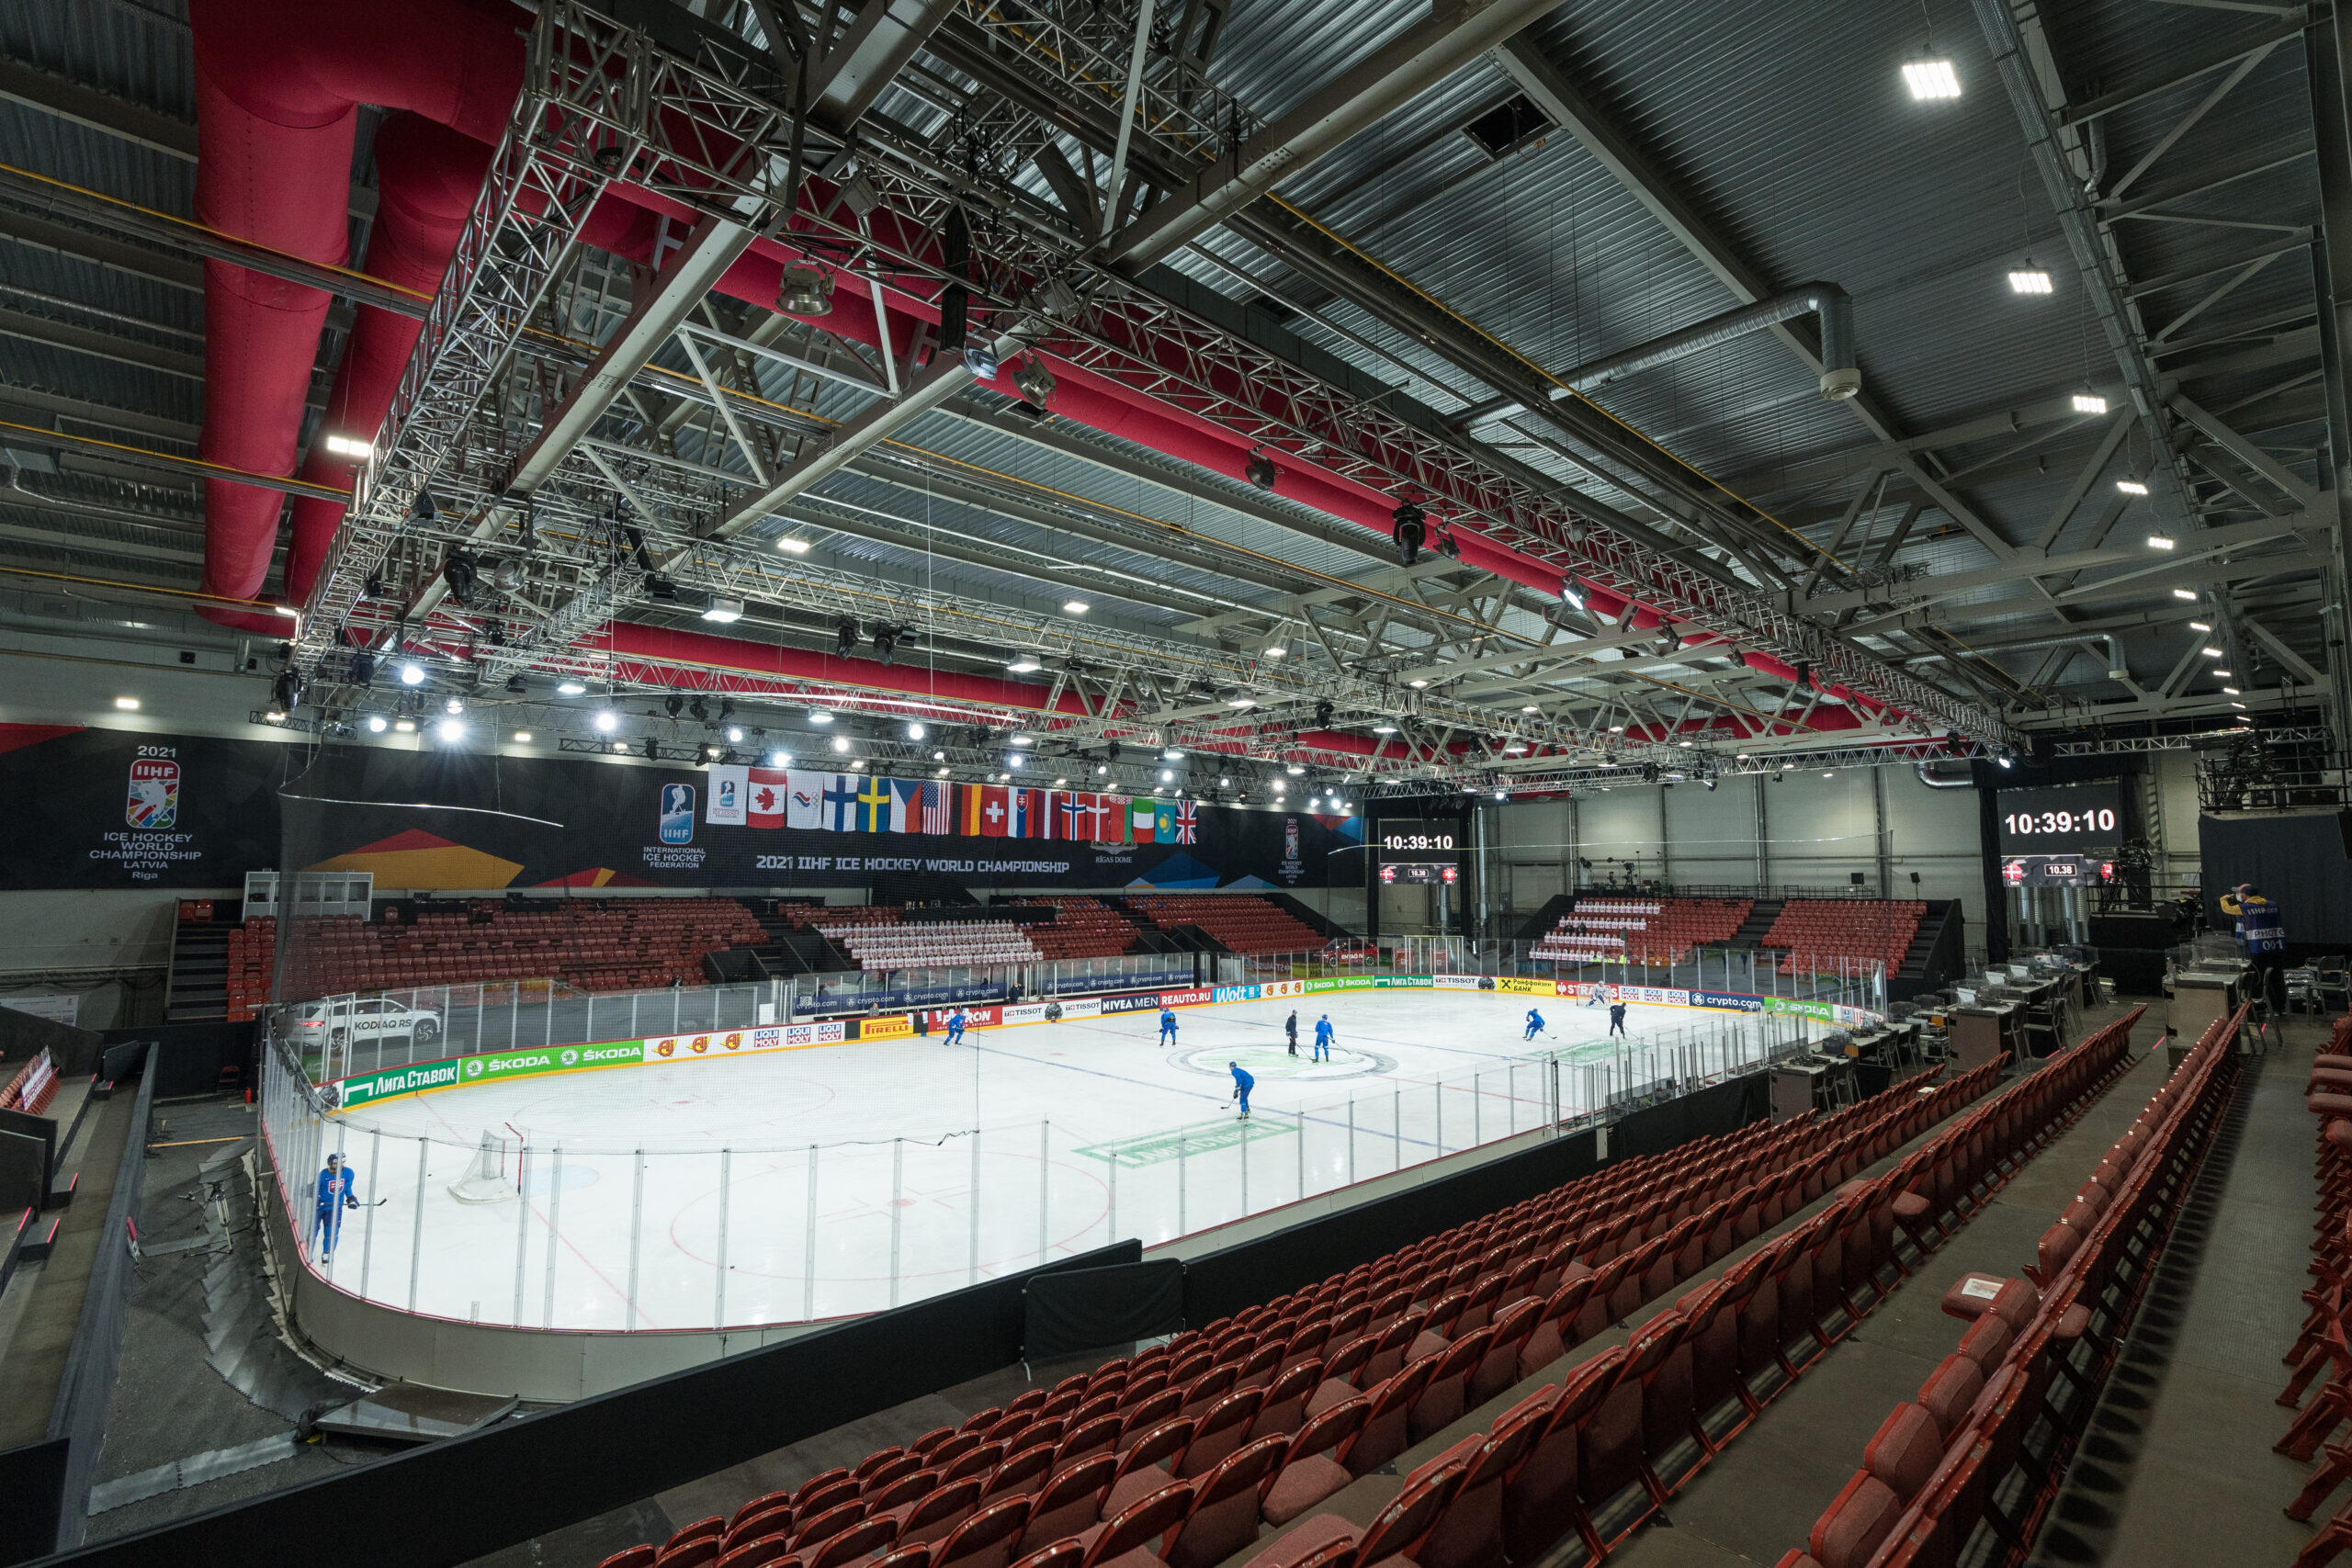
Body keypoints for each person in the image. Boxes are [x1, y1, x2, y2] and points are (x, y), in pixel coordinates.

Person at [2220, 882, 2289, 1011]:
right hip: (2277, 946)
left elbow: (2227, 908)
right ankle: (2281, 1007)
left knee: (2262, 979)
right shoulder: (2273, 905)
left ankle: (2266, 1007)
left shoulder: (2245, 907)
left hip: (2259, 948)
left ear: (2245, 895)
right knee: (2277, 977)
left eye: (2239, 894)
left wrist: (2224, 899)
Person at [313, 1152, 356, 1259]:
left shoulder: (348, 1173)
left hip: (334, 1208)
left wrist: (351, 1199)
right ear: (330, 1163)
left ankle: (327, 1253)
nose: (340, 1165)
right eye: (336, 1163)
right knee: (313, 1230)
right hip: (319, 1207)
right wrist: (316, 1197)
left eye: (342, 1162)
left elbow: (347, 1188)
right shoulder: (323, 1174)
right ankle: (307, 1251)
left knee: (331, 1231)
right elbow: (316, 1188)